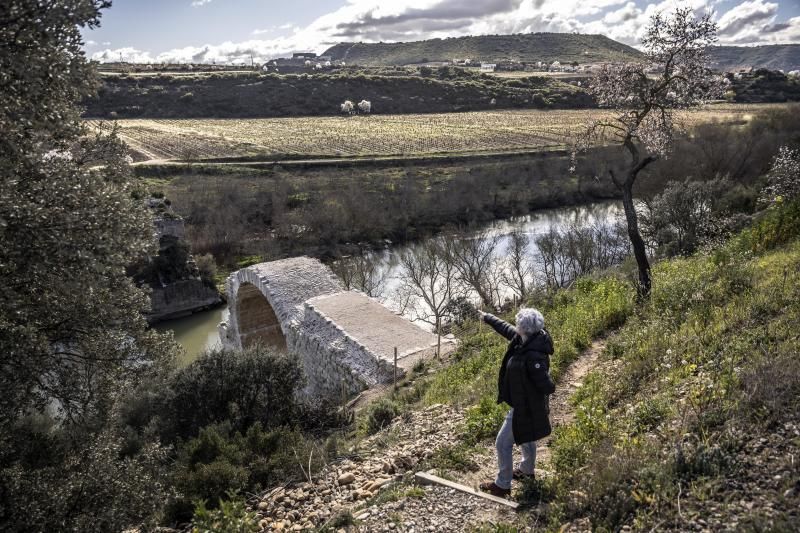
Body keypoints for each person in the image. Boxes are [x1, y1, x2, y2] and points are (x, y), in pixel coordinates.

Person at [477, 308, 555, 497]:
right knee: (526, 437)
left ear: (523, 328)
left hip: (525, 407)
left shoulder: (533, 355)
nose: (515, 326)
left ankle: (502, 485)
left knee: (502, 443)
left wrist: (540, 381)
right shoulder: (524, 340)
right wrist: (487, 317)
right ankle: (527, 472)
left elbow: (547, 386)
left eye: (518, 324)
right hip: (522, 404)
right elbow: (505, 328)